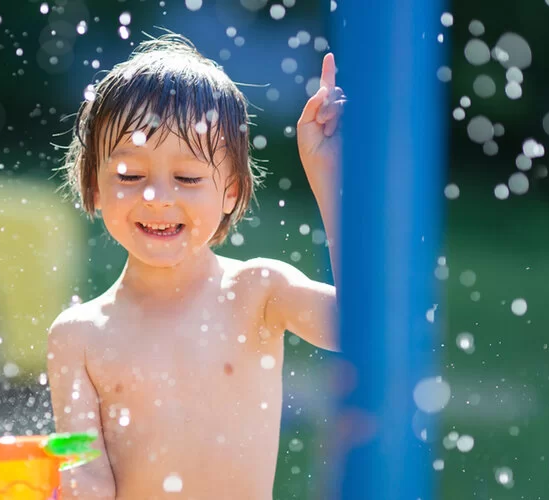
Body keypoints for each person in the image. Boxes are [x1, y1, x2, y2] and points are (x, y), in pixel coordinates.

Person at [47, 33, 345, 499]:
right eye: (130, 175)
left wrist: (331, 179)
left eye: (187, 177)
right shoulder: (76, 337)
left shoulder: (256, 294)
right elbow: (86, 478)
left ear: (231, 191)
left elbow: (362, 329)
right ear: (95, 186)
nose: (157, 197)